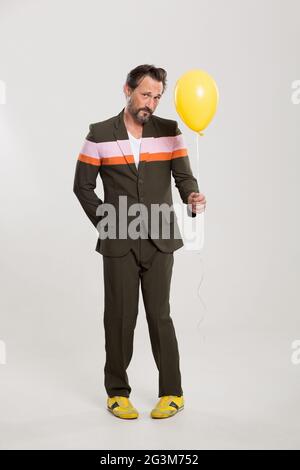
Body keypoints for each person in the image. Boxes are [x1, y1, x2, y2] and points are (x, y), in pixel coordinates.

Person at [73, 64, 206, 420]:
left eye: (157, 97)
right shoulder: (99, 133)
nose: (151, 103)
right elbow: (82, 187)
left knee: (160, 315)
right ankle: (117, 392)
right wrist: (108, 223)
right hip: (119, 241)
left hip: (161, 238)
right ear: (127, 90)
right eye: (146, 94)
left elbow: (184, 179)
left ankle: (172, 393)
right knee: (119, 318)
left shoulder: (170, 131)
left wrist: (192, 197)